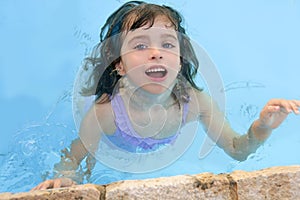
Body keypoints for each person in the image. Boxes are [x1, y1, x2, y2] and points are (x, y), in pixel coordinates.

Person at [32, 1, 300, 190]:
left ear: (180, 60)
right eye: (140, 45)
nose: (156, 52)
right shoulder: (106, 112)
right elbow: (74, 156)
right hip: (118, 149)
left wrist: (263, 127)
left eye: (168, 44)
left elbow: (237, 150)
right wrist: (68, 179)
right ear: (119, 64)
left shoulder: (195, 103)